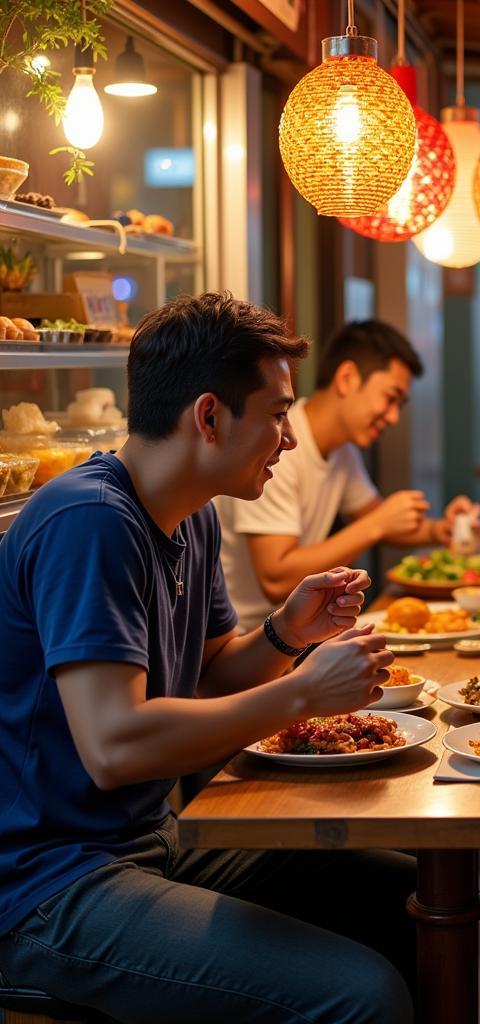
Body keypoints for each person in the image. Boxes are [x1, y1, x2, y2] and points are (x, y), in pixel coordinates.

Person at [0, 293, 414, 1023]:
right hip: (46, 885)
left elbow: (214, 671)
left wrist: (287, 635)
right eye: (279, 412)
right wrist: (300, 695)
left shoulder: (191, 517)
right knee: (363, 995)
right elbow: (114, 747)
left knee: (409, 898)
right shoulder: (89, 521)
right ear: (210, 416)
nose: (289, 437)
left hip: (147, 843)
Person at [217, 319, 480, 631]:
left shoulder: (342, 451)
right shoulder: (278, 449)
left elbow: (380, 520)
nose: (394, 416)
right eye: (390, 397)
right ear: (347, 378)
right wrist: (377, 524)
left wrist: (443, 530)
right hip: (245, 638)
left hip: (292, 629)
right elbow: (276, 578)